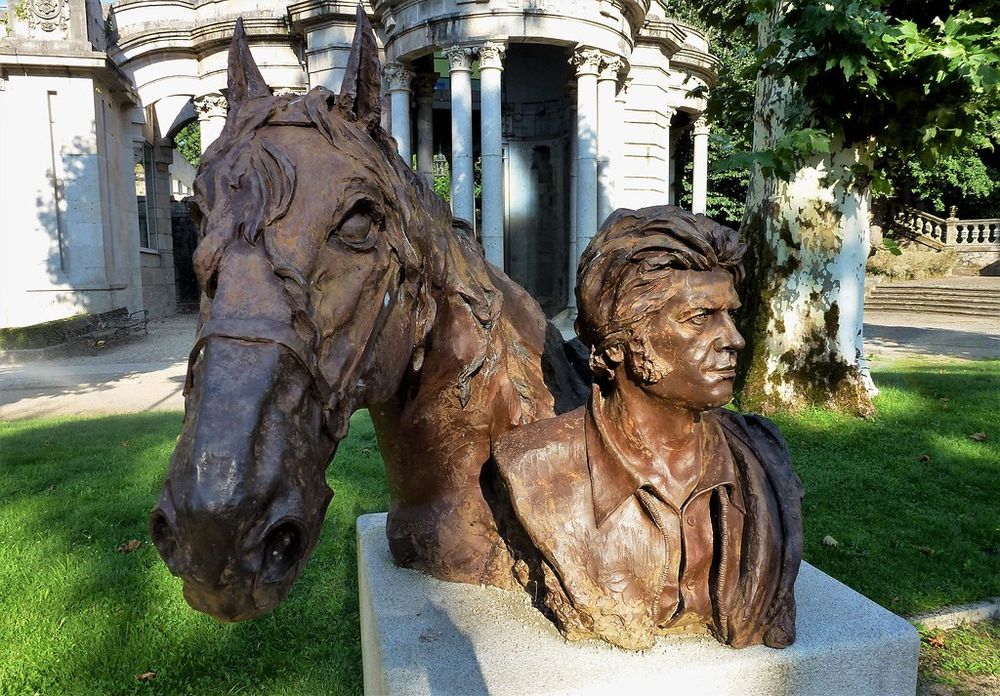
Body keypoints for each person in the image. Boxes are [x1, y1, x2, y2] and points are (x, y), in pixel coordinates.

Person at [494, 205, 803, 650]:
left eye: (730, 315)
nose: (734, 338)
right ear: (622, 342)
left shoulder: (762, 455)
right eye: (701, 318)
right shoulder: (533, 468)